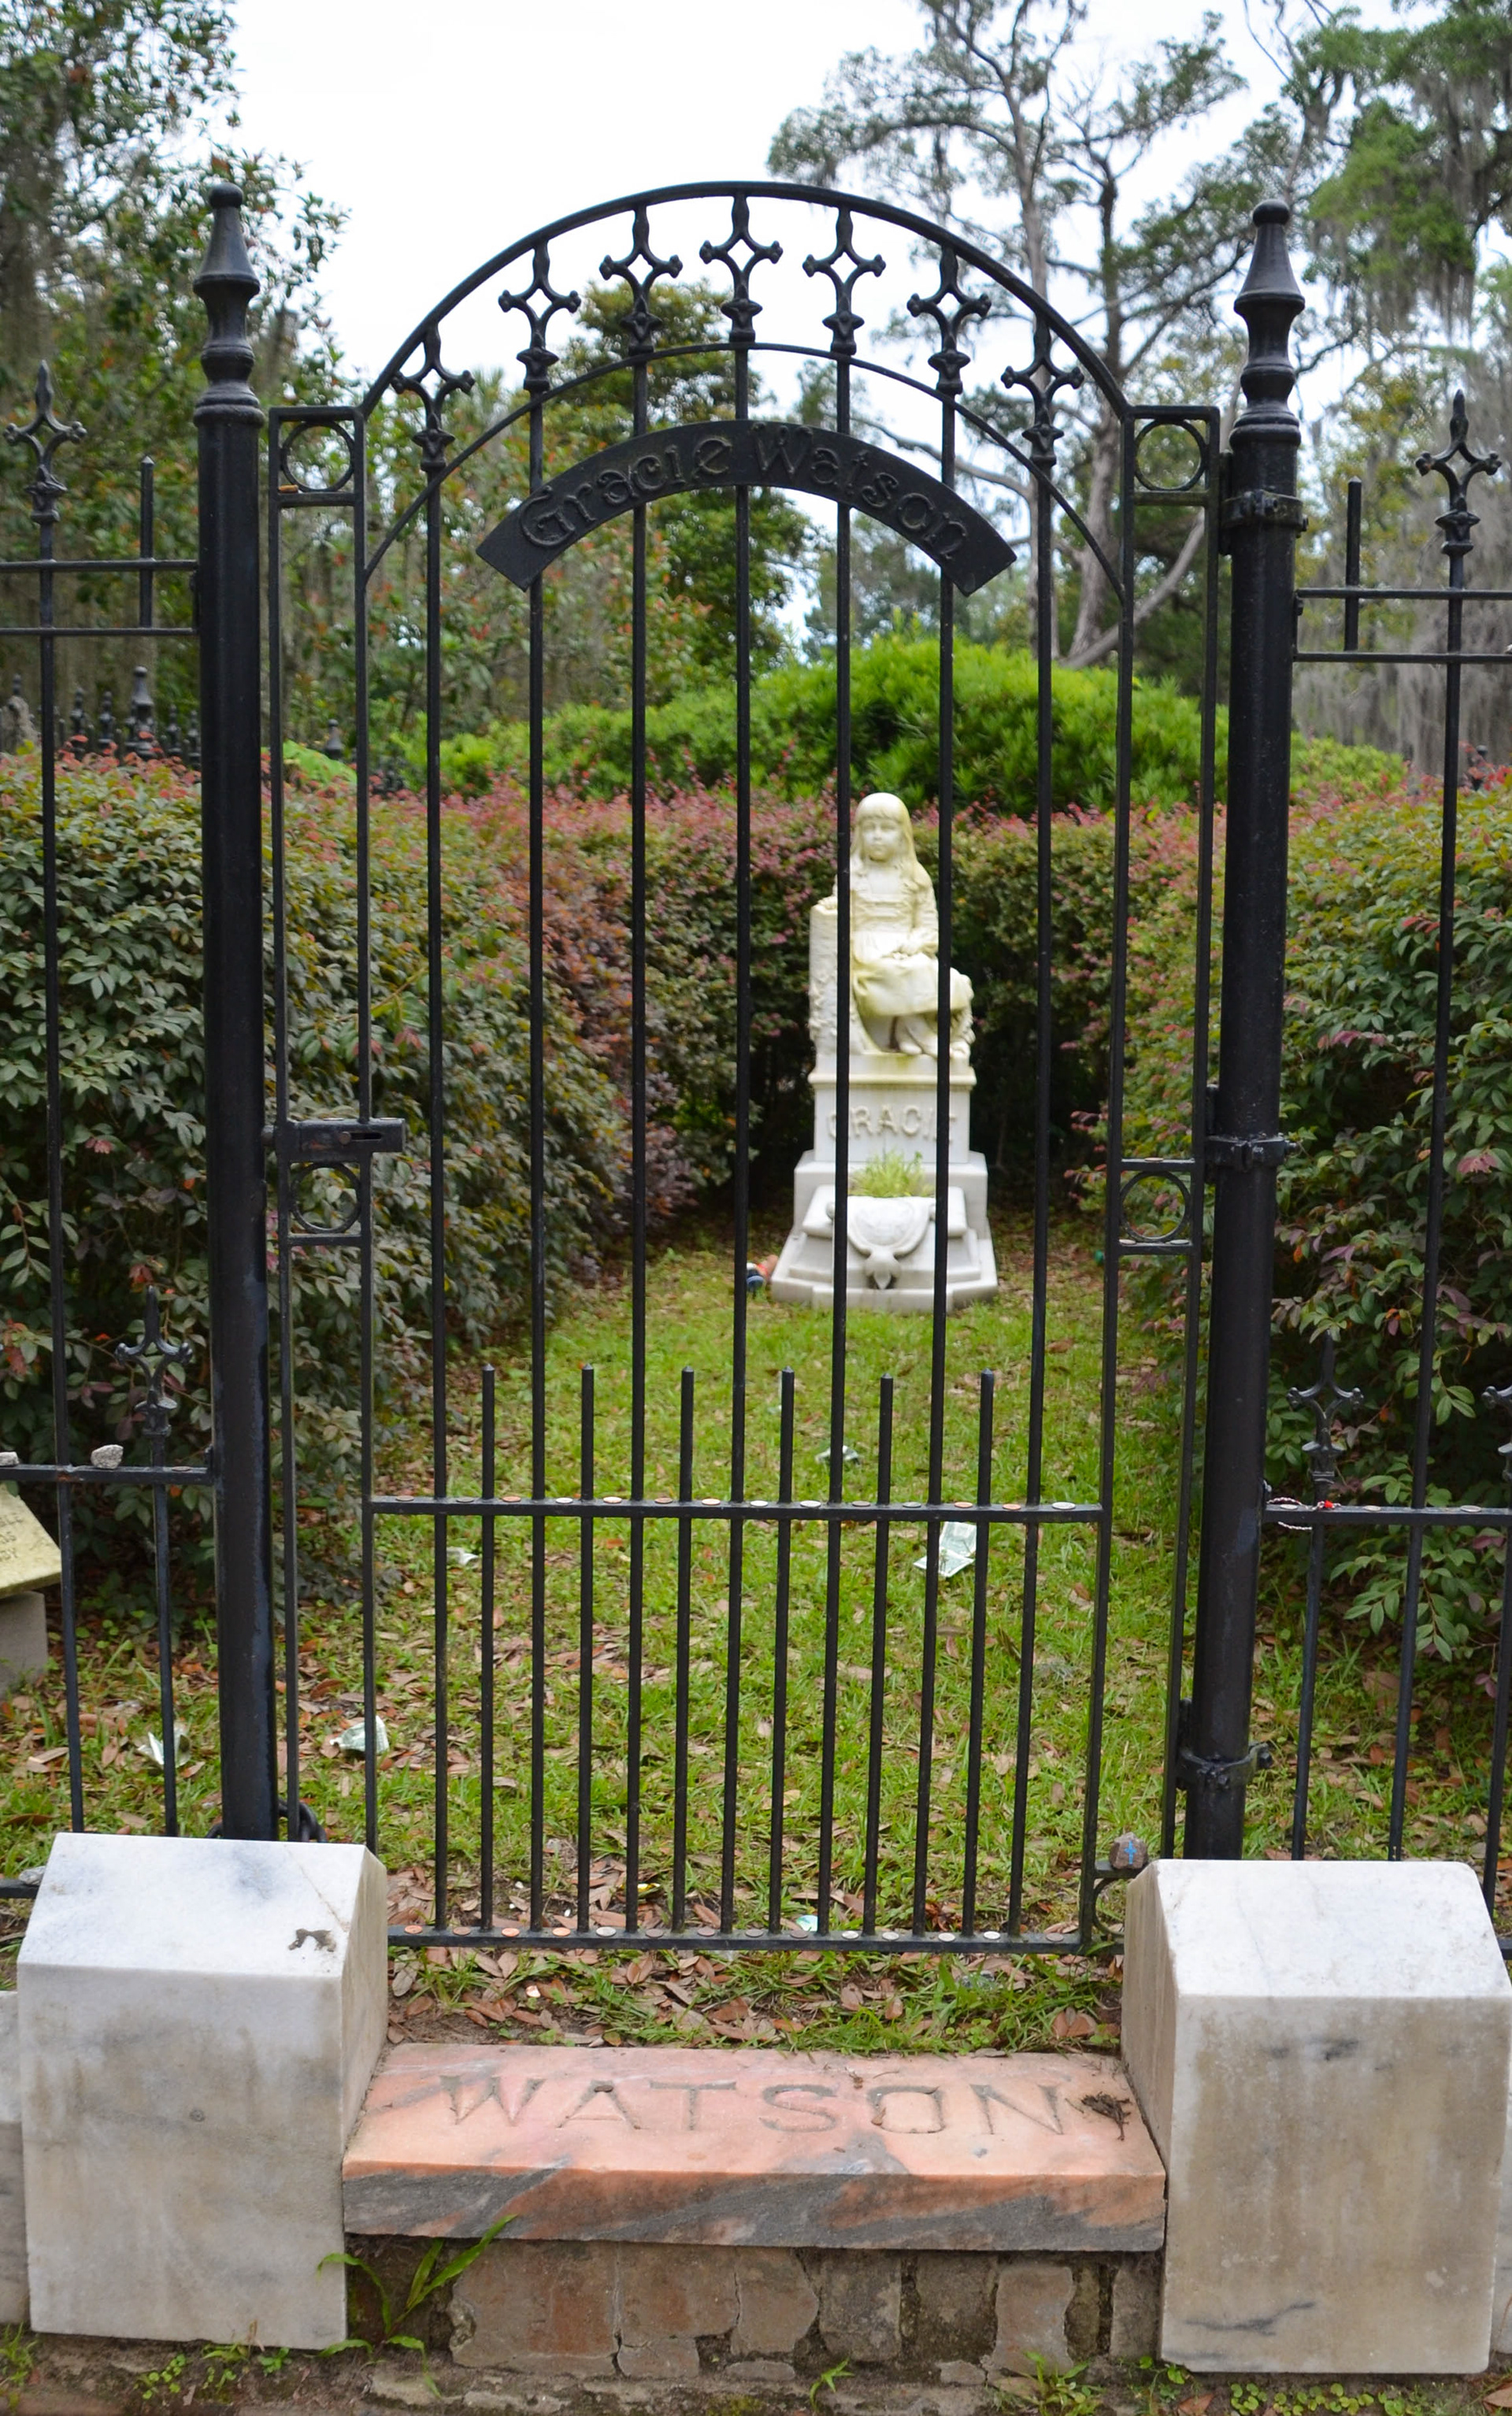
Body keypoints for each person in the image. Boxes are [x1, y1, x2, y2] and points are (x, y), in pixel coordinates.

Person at [841, 791, 972, 1058]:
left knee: (948, 980)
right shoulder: (851, 876)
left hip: (909, 952)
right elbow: (841, 922)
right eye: (870, 828)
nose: (877, 835)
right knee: (891, 974)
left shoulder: (915, 876)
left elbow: (928, 925)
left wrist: (917, 942)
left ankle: (904, 1029)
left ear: (903, 835)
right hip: (867, 956)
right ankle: (923, 1036)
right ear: (859, 834)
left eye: (887, 828)